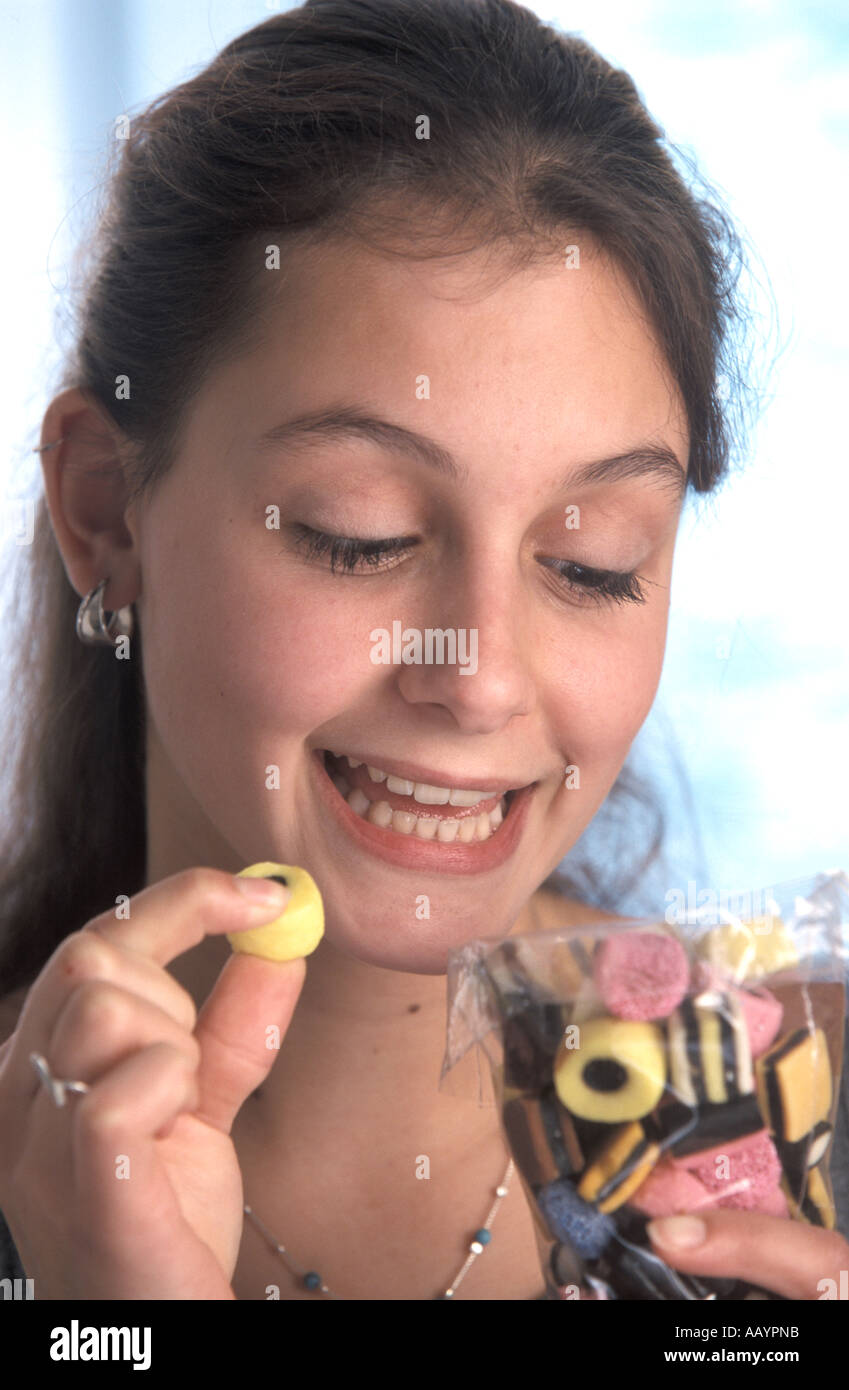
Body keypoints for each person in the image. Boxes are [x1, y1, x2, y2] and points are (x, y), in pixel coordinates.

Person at [0, 0, 846, 1301]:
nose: (483, 674)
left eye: (591, 561)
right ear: (107, 511)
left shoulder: (799, 1124)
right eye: (360, 534)